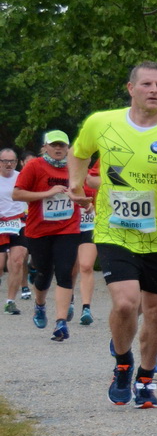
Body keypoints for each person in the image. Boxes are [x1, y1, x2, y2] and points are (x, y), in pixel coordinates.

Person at [69, 64, 157, 407]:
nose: (154, 90)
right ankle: (122, 362)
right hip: (114, 229)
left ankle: (145, 378)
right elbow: (79, 152)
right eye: (146, 84)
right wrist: (75, 183)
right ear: (131, 88)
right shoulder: (102, 122)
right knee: (126, 301)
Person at [13, 131, 83, 339]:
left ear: (68, 148)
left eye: (62, 145)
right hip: (39, 230)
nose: (58, 149)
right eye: (54, 145)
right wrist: (48, 193)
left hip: (67, 228)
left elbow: (83, 192)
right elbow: (17, 194)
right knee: (44, 273)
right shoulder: (34, 166)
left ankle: (61, 322)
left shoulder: (75, 166)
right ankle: (40, 304)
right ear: (45, 147)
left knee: (65, 271)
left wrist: (84, 202)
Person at [72, 156, 99, 326]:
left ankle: (86, 308)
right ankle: (69, 298)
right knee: (70, 267)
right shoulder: (65, 176)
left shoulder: (93, 178)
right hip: (68, 227)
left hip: (90, 225)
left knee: (86, 266)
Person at [0, 147, 27, 314]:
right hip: (0, 224)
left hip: (19, 223)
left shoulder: (22, 177)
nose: (8, 164)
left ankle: (10, 301)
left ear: (17, 162)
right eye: (5, 161)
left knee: (17, 261)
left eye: (12, 161)